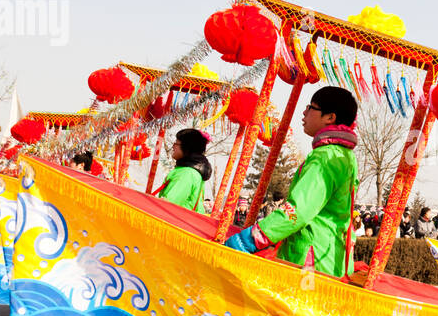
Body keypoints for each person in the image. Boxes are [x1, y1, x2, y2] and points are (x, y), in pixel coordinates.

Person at [225, 86, 359, 278]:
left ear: (330, 117)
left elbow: (298, 211)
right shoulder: (344, 156)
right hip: (330, 256)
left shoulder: (325, 158)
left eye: (311, 107)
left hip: (312, 260)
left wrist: (251, 239)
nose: (304, 112)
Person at [154, 129, 213, 212]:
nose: (173, 147)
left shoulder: (187, 173)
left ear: (187, 148)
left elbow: (167, 204)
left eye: (176, 144)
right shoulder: (191, 171)